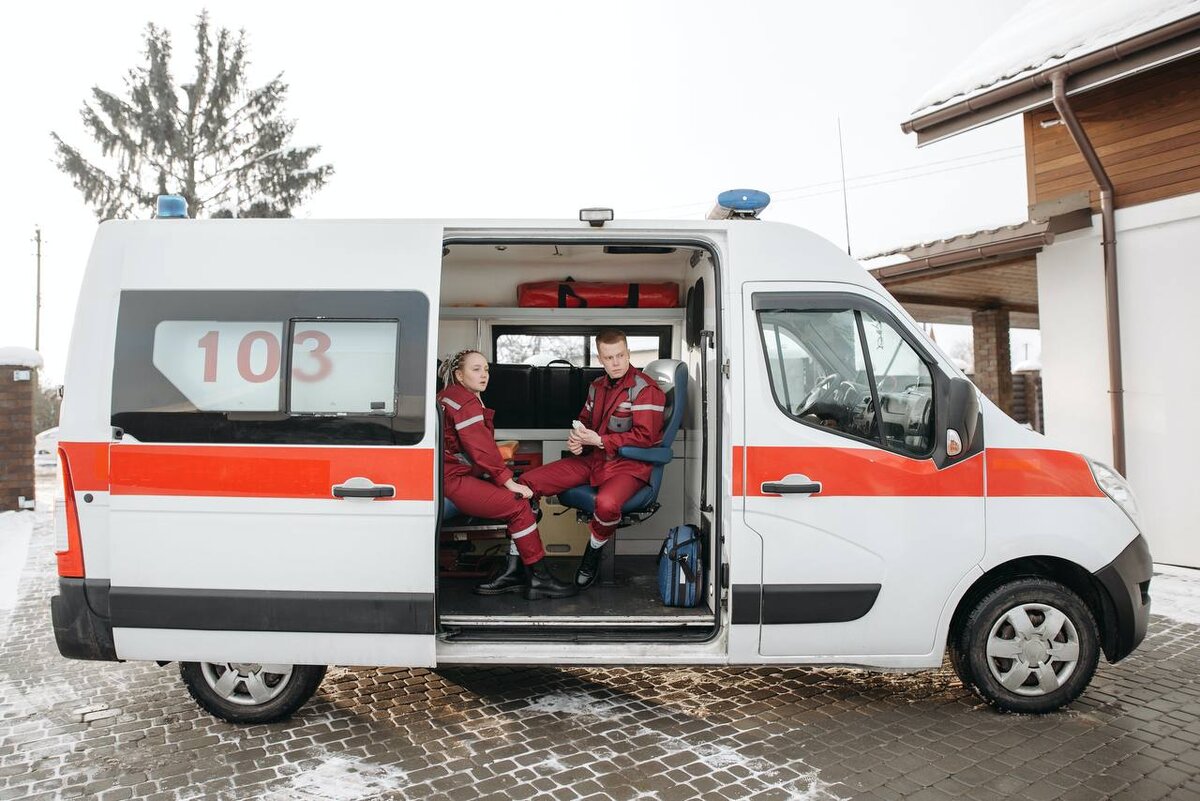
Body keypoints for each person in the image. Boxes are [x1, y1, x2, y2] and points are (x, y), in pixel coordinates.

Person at [520, 330, 667, 589]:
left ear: (628, 353)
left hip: (628, 466)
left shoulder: (646, 390)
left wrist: (599, 441)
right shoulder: (596, 387)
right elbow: (584, 422)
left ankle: (593, 553)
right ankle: (523, 563)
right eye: (609, 357)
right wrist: (577, 440)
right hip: (594, 460)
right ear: (601, 359)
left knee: (608, 504)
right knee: (525, 483)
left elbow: (645, 437)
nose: (616, 362)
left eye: (621, 355)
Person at [438, 350, 576, 600]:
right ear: (459, 375)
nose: (484, 375)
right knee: (520, 506)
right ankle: (539, 578)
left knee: (527, 502)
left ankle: (514, 572)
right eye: (476, 369)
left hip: (453, 476)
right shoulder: (465, 403)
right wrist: (508, 482)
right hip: (453, 482)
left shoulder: (450, 396)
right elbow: (481, 450)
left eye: (486, 369)